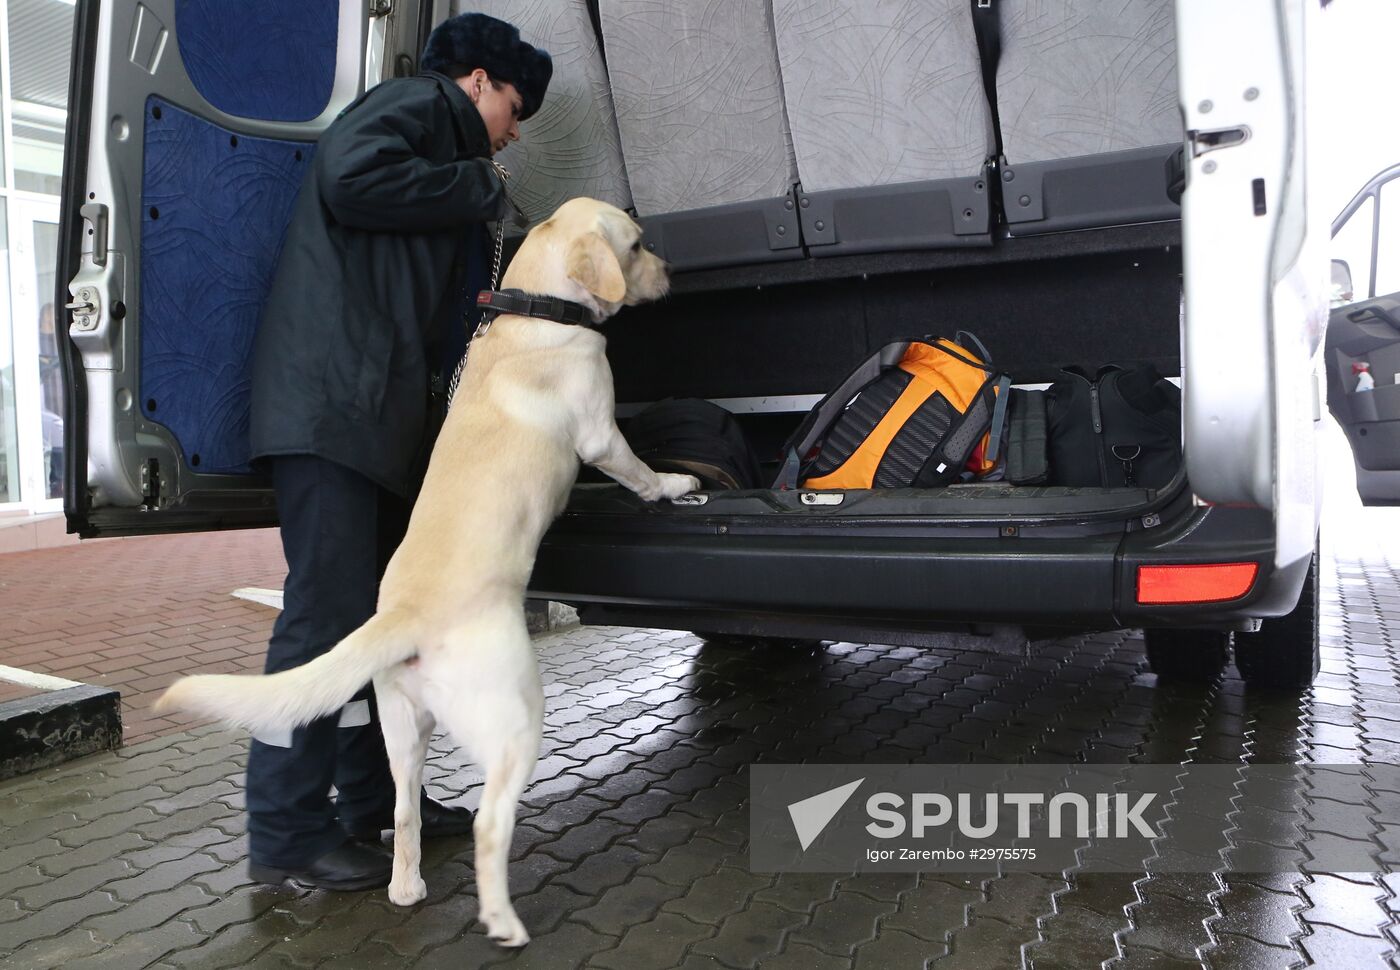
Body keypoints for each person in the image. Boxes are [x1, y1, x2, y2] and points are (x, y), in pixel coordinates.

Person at [243, 12, 552, 892]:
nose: (514, 133)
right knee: (323, 624)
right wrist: (478, 187)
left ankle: (372, 805)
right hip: (333, 410)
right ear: (479, 81)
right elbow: (349, 175)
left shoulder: (440, 145)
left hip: (368, 418)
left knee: (376, 625)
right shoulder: (417, 105)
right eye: (514, 109)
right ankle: (284, 832)